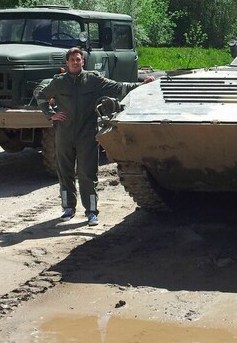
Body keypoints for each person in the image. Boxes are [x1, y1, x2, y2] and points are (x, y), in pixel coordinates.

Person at [36, 47, 155, 226]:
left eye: (78, 59)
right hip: (64, 133)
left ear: (83, 61)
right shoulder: (59, 82)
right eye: (72, 60)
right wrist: (50, 114)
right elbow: (41, 95)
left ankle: (91, 211)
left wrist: (142, 85)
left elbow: (118, 87)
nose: (75, 62)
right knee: (65, 172)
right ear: (67, 63)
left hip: (86, 134)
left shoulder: (92, 79)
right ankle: (68, 208)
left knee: (87, 173)